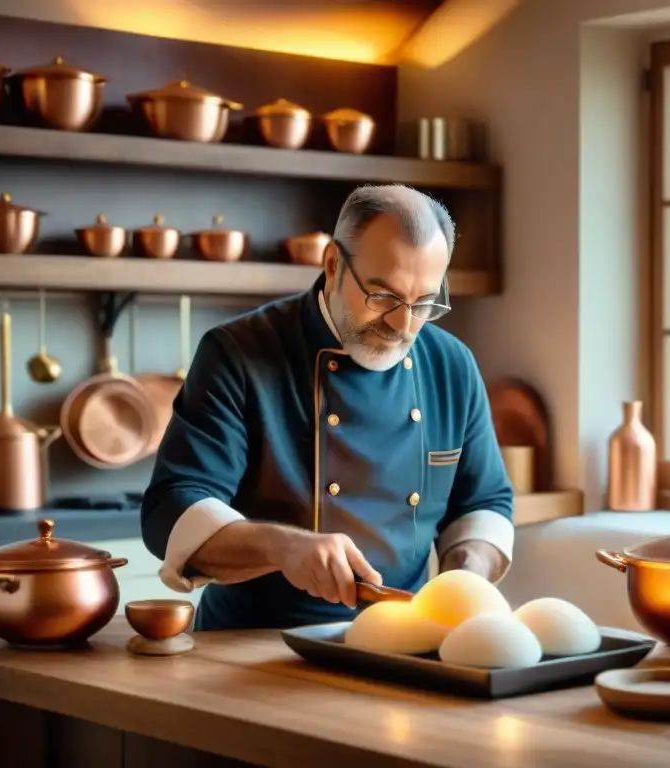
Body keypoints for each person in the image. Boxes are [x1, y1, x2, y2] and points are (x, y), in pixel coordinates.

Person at [140, 184, 515, 631]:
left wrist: (465, 582)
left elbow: (484, 502)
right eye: (383, 296)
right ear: (334, 265)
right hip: (253, 646)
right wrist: (284, 548)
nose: (402, 325)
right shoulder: (238, 354)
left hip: (402, 640)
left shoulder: (451, 364)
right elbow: (173, 506)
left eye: (423, 303)